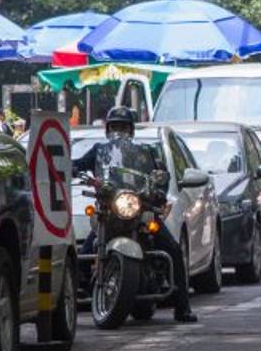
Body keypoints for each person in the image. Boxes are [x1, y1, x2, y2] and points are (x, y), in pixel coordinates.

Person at [71, 106, 197, 323]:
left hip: (140, 208)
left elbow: (161, 176)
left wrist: (159, 189)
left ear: (131, 130)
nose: (119, 131)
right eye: (115, 126)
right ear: (108, 129)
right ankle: (74, 295)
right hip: (110, 208)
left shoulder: (145, 152)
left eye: (123, 126)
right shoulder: (99, 151)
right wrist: (69, 167)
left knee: (173, 250)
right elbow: (78, 165)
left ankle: (182, 307)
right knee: (82, 253)